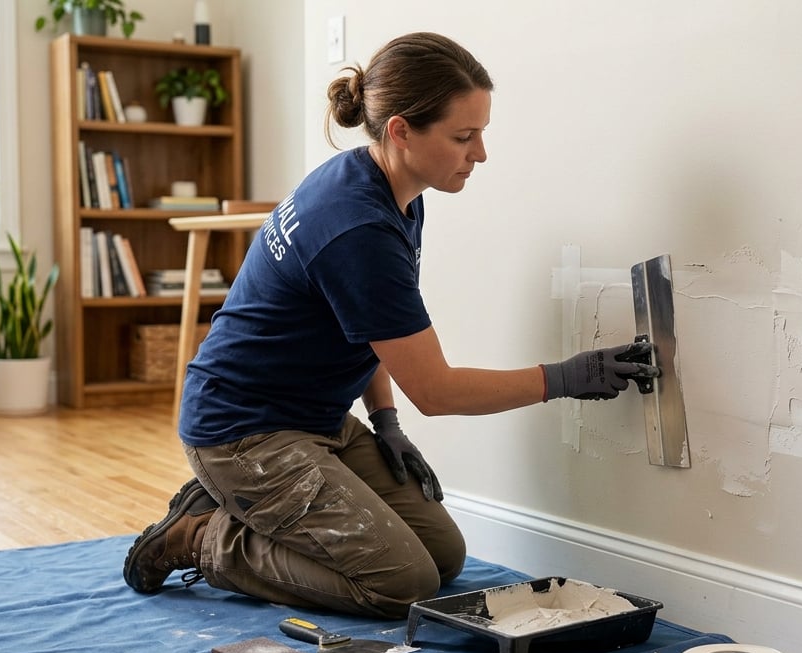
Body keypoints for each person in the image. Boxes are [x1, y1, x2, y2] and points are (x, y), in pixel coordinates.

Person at [122, 31, 658, 619]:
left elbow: (371, 328)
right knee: (402, 584)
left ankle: (244, 509)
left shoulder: (393, 188)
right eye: (463, 137)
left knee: (443, 555)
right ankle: (203, 536)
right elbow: (436, 391)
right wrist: (565, 378)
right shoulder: (357, 227)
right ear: (401, 131)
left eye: (480, 133)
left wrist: (384, 420)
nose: (480, 153)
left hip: (316, 417)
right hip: (243, 433)